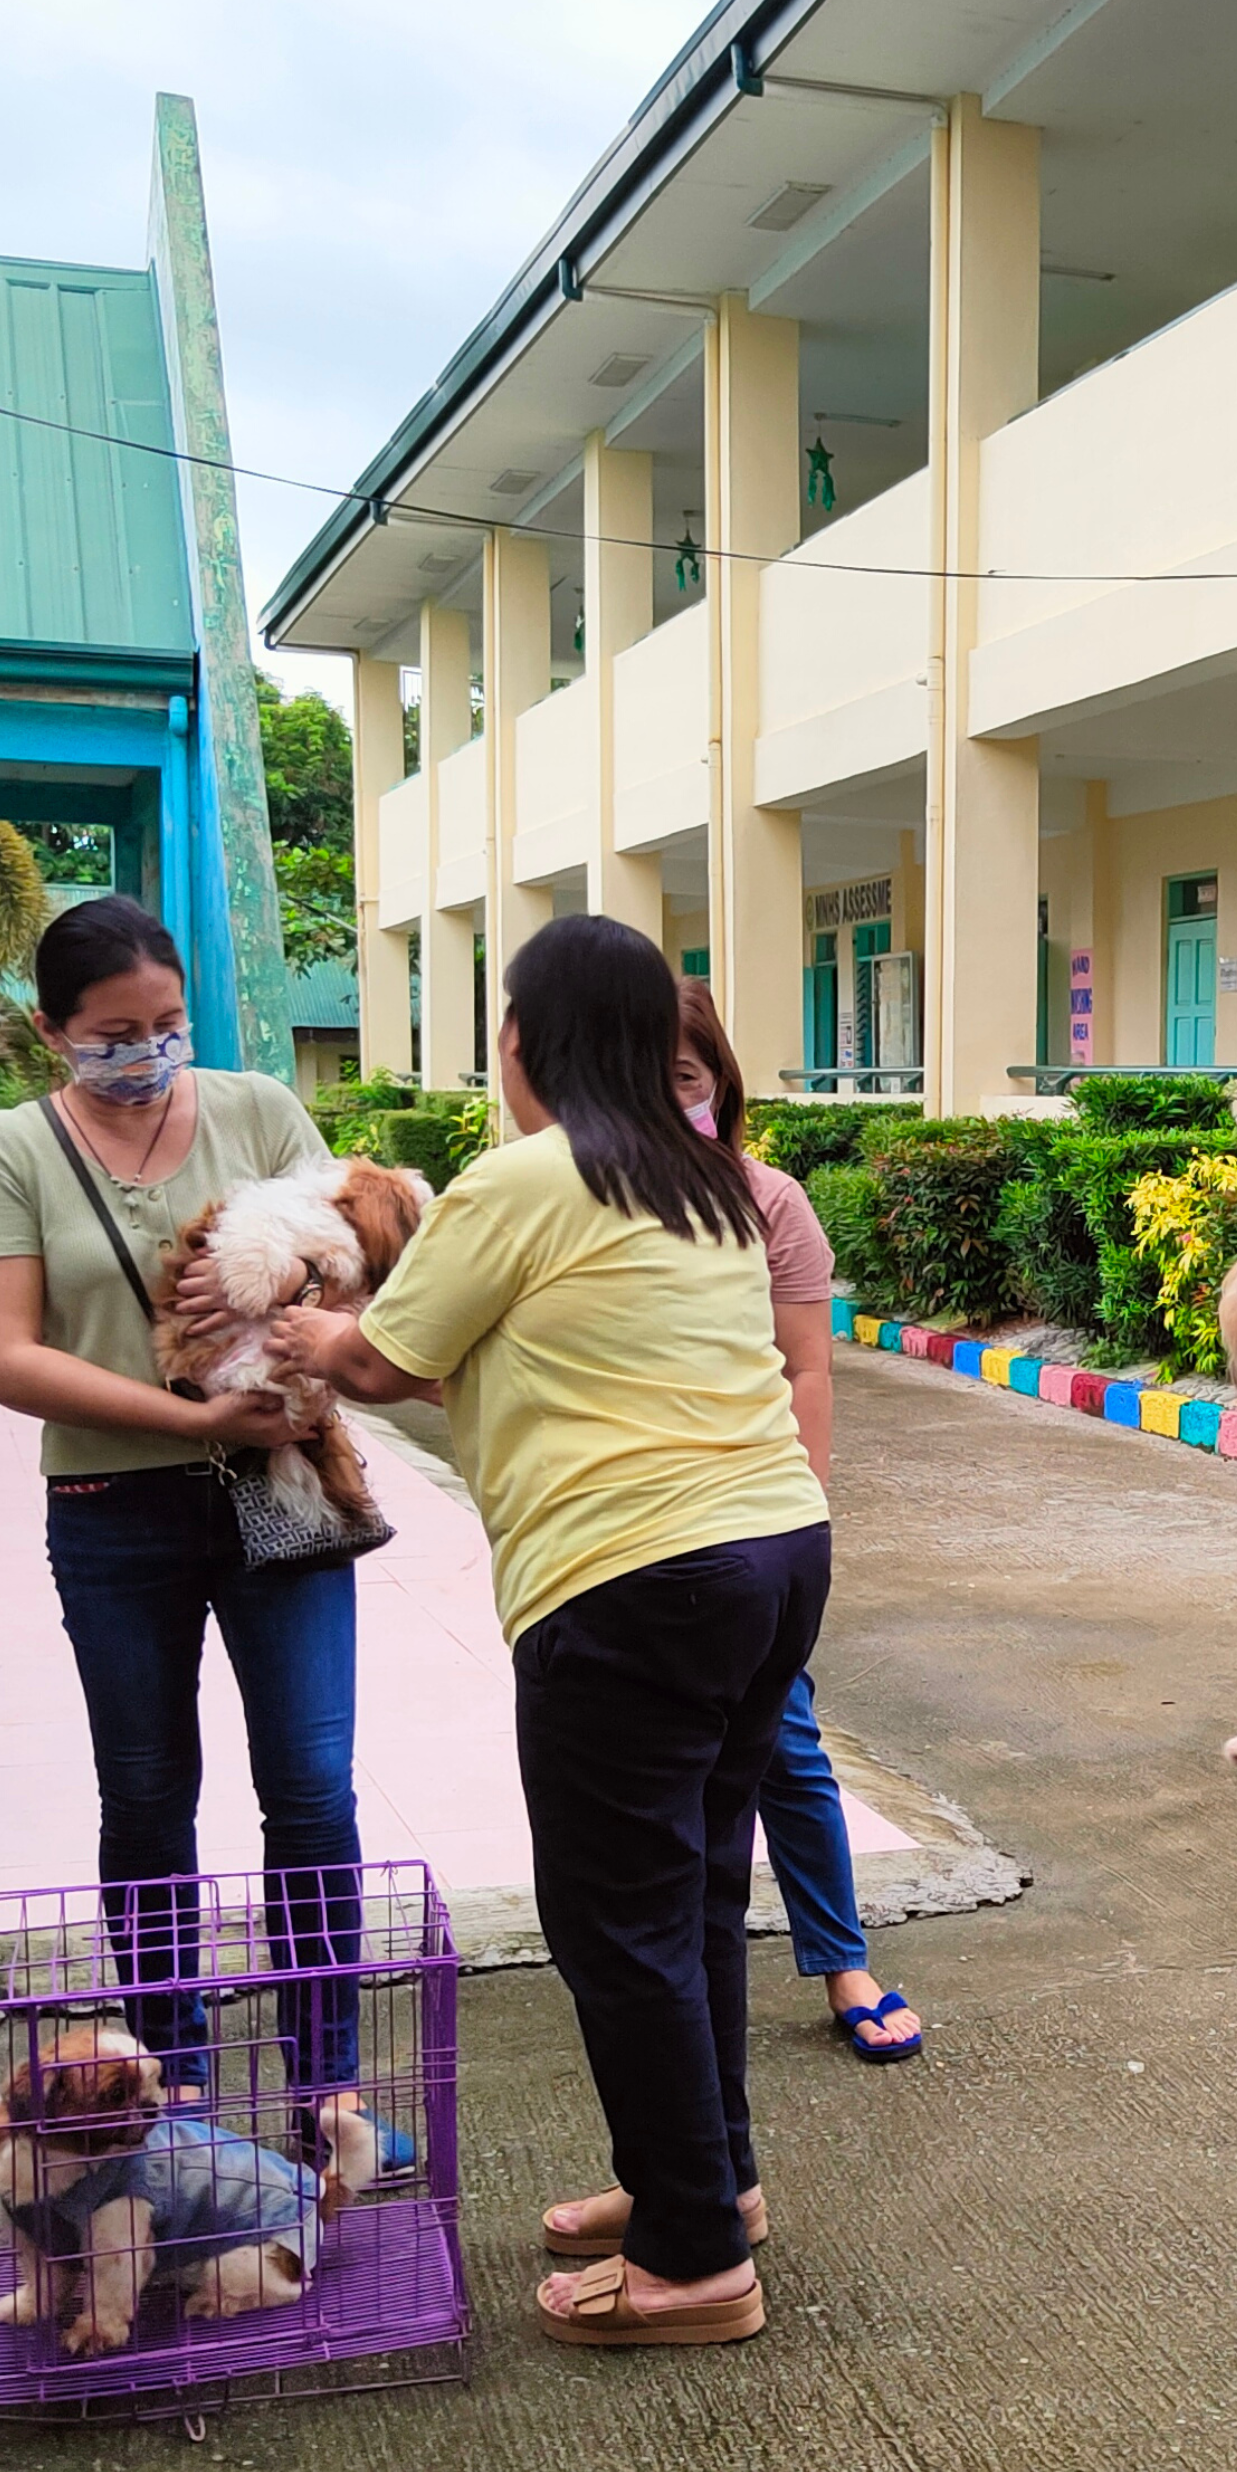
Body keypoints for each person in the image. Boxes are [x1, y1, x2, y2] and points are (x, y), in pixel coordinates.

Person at [279, 915, 830, 2349]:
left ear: (522, 1043)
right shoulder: (703, 1177)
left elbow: (393, 1359)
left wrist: (304, 1334)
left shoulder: (524, 1176)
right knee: (696, 1892)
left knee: (619, 1922)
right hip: (772, 1556)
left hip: (633, 1582)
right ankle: (703, 2187)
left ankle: (697, 2266)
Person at [0, 897, 403, 2158]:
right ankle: (175, 2085)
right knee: (148, 1797)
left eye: (164, 1025)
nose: (143, 1052)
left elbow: (360, 1258)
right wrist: (195, 1416)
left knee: (310, 1790)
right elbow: (1, 1358)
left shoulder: (257, 1109)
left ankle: (327, 2085)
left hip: (285, 1492)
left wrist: (286, 1284)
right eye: (110, 1033)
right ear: (54, 1034)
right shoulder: (8, 1150)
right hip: (114, 1511)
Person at [674, 976, 918, 2063]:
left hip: (752, 1521)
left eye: (682, 1077)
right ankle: (677, 1972)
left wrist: (800, 1521)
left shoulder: (769, 1202)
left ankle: (841, 1958)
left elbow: (805, 1367)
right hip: (626, 1525)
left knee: (786, 1741)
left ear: (718, 1082)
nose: (663, 1098)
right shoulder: (584, 1202)